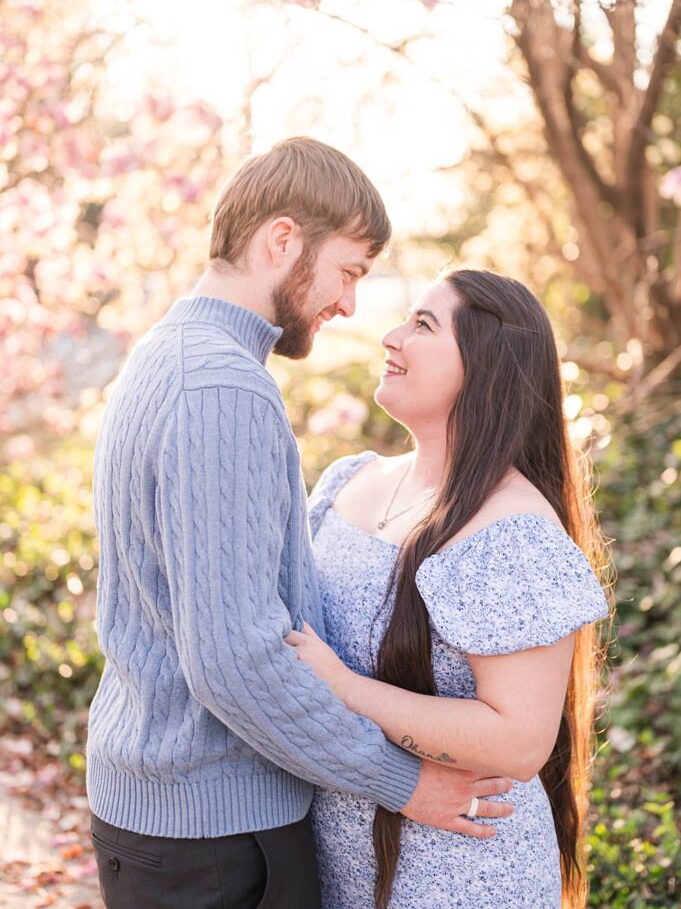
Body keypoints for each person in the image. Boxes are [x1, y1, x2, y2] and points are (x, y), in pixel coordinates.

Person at [85, 140, 513, 909]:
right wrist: (403, 782)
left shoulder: (167, 354)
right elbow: (234, 659)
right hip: (216, 836)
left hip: (160, 814)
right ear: (281, 240)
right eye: (348, 271)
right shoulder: (225, 387)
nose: (349, 304)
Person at [286, 268, 610, 909]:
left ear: (485, 367)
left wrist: (345, 689)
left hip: (464, 877)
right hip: (335, 867)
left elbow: (518, 741)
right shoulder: (350, 482)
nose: (391, 337)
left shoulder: (511, 530)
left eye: (423, 325)